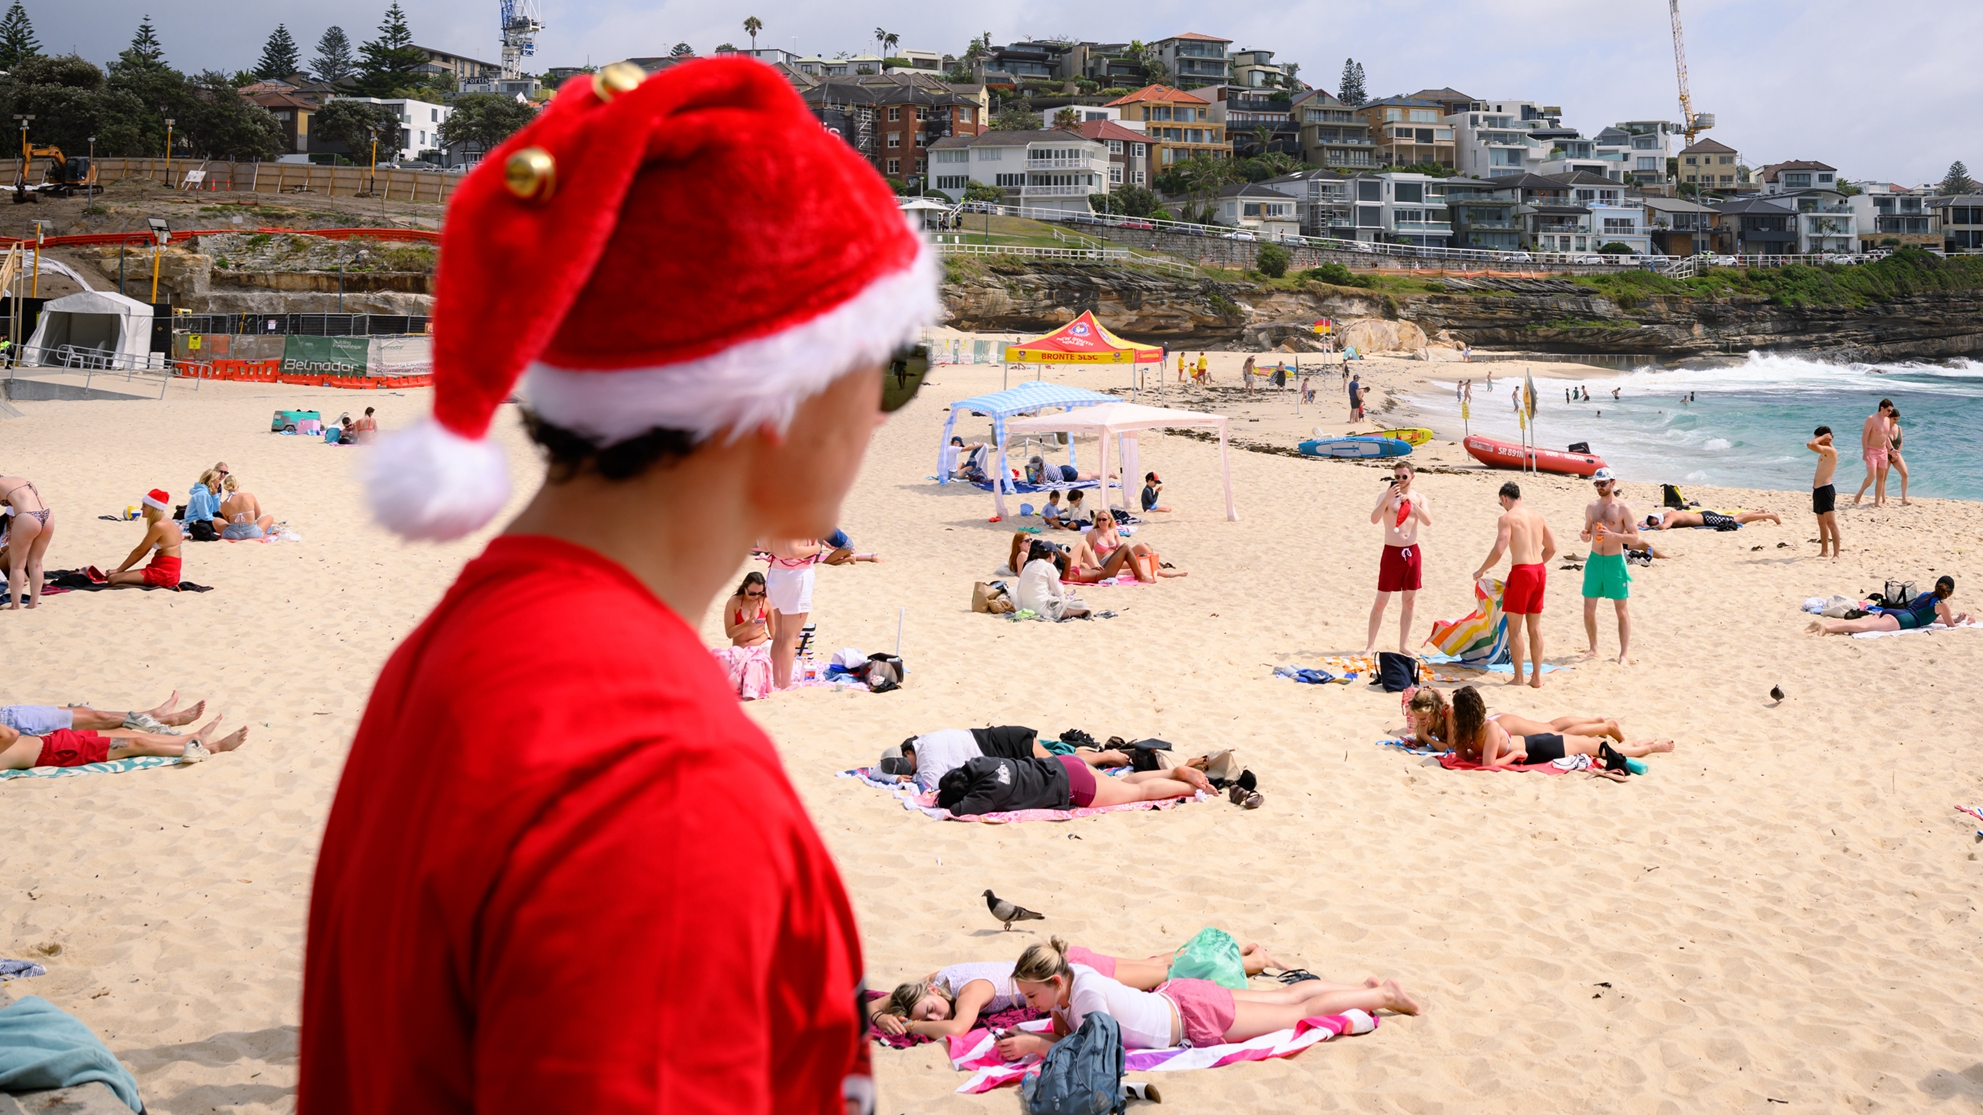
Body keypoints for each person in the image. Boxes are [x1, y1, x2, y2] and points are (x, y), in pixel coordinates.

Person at [303, 57, 935, 1111]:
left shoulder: (463, 647)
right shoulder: (658, 784)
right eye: (897, 365)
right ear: (785, 387)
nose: (882, 414)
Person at [995, 938, 1417, 1060]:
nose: (1030, 1005)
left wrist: (1035, 1044)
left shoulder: (1086, 994)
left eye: (1032, 994)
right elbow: (1066, 1036)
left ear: (1055, 980)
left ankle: (1382, 994)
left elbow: (1093, 1048)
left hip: (1193, 1017)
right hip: (1180, 1000)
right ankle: (1363, 990)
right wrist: (1035, 1035)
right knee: (1284, 998)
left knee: (1296, 1012)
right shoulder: (1069, 985)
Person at [872, 936, 1291, 1040]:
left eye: (930, 1011)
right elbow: (883, 999)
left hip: (1078, 972)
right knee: (1157, 965)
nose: (936, 1015)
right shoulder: (938, 978)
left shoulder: (970, 992)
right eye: (927, 1016)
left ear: (932, 995)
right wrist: (880, 1014)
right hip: (1068, 965)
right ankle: (1242, 951)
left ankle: (1254, 960)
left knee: (1167, 972)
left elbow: (957, 1028)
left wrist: (912, 1027)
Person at [1446, 686, 1672, 771]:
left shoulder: (1468, 733)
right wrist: (1513, 755)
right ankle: (1649, 748)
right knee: (1598, 746)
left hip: (1539, 745)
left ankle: (1639, 744)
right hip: (1539, 747)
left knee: (1595, 746)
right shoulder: (1490, 727)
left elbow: (1465, 757)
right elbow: (1488, 765)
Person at [934, 754, 1216, 818]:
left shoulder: (986, 794)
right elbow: (965, 768)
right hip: (1064, 764)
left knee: (1137, 793)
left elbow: (958, 809)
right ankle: (1173, 772)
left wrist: (944, 800)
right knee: (1121, 784)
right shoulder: (981, 765)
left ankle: (1192, 788)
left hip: (1070, 785)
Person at [1473, 480, 1556, 688]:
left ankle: (1519, 678)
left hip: (1522, 572)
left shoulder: (1507, 518)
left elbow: (1499, 550)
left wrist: (1481, 570)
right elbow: (1552, 548)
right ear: (1520, 497)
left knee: (1515, 628)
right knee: (1535, 627)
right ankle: (1536, 678)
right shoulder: (1537, 516)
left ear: (1504, 498)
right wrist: (1535, 568)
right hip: (1539, 571)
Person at [891, 724, 1131, 792]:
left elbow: (931, 785)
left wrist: (902, 780)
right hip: (1004, 738)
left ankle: (1107, 756)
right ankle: (1102, 756)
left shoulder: (925, 757)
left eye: (907, 764)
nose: (910, 771)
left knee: (1059, 767)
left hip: (1004, 747)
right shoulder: (925, 740)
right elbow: (876, 770)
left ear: (909, 752)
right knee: (1057, 759)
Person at [1404, 684, 1626, 754]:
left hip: (1502, 725)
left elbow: (1452, 746)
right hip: (1495, 726)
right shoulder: (1433, 720)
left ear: (1435, 710)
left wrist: (1427, 738)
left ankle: (1606, 726)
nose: (1421, 721)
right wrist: (1421, 737)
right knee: (1550, 728)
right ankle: (1595, 722)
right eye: (1418, 717)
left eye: (1424, 717)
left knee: (1553, 732)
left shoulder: (1450, 713)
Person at [0, 714, 248, 772]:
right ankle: (213, 748)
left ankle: (191, 738)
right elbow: (10, 735)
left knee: (121, 731)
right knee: (136, 743)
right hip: (58, 752)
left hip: (52, 740)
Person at [1366, 461, 1431, 656]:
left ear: (1412, 477)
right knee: (1381, 601)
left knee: (1409, 601)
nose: (1400, 480)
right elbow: (1374, 519)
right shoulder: (1385, 496)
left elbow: (1428, 521)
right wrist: (1387, 499)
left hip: (1412, 553)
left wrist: (1413, 505)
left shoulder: (1419, 497)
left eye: (1404, 476)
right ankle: (1370, 646)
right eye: (1397, 476)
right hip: (1392, 553)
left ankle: (1403, 645)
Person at [1580, 468, 1638, 665]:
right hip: (1595, 561)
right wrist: (1584, 536)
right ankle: (1593, 648)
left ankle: (1623, 654)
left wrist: (1613, 535)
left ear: (1613, 483)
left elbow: (1635, 537)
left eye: (1603, 484)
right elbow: (1587, 531)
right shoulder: (1591, 507)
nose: (1599, 487)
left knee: (1621, 611)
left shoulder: (1623, 508)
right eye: (1596, 484)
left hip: (1615, 563)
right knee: (1588, 610)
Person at [1808, 575, 1971, 636]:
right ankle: (1827, 629)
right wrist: (1962, 622)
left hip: (1894, 612)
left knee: (1861, 623)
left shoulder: (1926, 594)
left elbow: (1932, 619)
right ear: (1950, 592)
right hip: (1902, 620)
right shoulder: (1943, 605)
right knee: (1862, 628)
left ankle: (1823, 624)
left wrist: (1956, 619)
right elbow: (1950, 625)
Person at [764, 538, 825, 689]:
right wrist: (817, 548)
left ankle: (777, 680)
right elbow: (794, 551)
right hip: (794, 576)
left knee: (780, 635)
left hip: (776, 574)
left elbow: (763, 545)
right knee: (790, 637)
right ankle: (785, 683)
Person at [1, 691, 205, 736]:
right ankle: (167, 719)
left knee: (82, 712)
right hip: (14, 722)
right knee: (100, 719)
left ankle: (153, 713)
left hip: (9, 713)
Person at [103, 489, 183, 589]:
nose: (141, 509)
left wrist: (119, 570)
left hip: (164, 574)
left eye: (145, 506)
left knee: (113, 579)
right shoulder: (167, 521)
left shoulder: (159, 526)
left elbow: (140, 551)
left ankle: (145, 587)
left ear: (154, 508)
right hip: (166, 571)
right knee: (114, 578)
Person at [715, 571, 774, 701]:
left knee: (770, 650)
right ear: (745, 587)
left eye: (760, 593)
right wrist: (746, 625)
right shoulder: (734, 602)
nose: (756, 596)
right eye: (752, 593)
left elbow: (774, 633)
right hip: (741, 648)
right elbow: (730, 633)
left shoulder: (765, 602)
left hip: (762, 644)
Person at [1076, 510, 1180, 583]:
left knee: (1142, 546)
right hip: (1107, 563)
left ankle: (1160, 569)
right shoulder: (1093, 533)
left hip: (1118, 557)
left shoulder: (1113, 531)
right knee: (1140, 562)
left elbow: (1121, 547)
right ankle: (1162, 572)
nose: (1101, 522)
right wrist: (1088, 567)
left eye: (1103, 519)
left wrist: (1127, 555)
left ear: (1109, 520)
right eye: (1099, 520)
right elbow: (1087, 553)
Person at [0, 473, 54, 610]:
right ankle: (33, 603)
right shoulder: (17, 480)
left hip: (27, 517)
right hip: (47, 515)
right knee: (36, 563)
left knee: (17, 566)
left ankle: (15, 605)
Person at [1012, 540, 1089, 620]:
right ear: (1052, 555)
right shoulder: (1049, 566)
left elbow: (1019, 589)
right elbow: (1059, 592)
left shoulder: (1028, 565)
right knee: (1083, 605)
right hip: (1041, 609)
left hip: (1023, 607)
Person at [1854, 398, 1895, 508]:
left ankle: (1877, 502)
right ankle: (1860, 493)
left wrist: (1891, 449)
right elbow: (1864, 437)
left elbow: (1886, 437)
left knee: (1881, 477)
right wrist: (1865, 452)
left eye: (1891, 411)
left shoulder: (1887, 420)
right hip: (1871, 451)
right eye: (1888, 410)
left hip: (1883, 451)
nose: (1890, 413)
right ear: (1882, 408)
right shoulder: (1871, 419)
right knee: (1871, 476)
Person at [1808, 426, 1841, 559]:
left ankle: (1836, 554)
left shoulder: (1831, 451)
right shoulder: (1825, 451)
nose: (1816, 440)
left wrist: (1823, 438)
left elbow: (1810, 445)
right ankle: (1824, 551)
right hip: (1818, 490)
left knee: (1831, 523)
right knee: (1821, 523)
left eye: (1817, 438)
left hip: (1826, 490)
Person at [216, 474, 277, 539]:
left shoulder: (225, 504)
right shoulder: (249, 496)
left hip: (233, 535)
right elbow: (257, 515)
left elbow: (229, 522)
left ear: (226, 488)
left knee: (215, 520)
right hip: (252, 533)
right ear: (238, 485)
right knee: (269, 517)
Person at [1640, 506, 1780, 530]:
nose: (1653, 523)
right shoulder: (1667, 514)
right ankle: (1759, 512)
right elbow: (1641, 522)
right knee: (1734, 517)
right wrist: (1643, 523)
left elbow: (1663, 527)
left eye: (1654, 521)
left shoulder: (1670, 517)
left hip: (1707, 520)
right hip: (1705, 516)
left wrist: (1651, 527)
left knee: (1737, 520)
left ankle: (1770, 515)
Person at [1887, 407, 1909, 504]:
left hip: (1896, 454)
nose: (1896, 420)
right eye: (1894, 419)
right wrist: (1891, 453)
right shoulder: (1884, 428)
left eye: (1897, 419)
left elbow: (1901, 442)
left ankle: (1904, 499)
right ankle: (1883, 499)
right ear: (1889, 417)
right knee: (1883, 478)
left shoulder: (1899, 428)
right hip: (1886, 454)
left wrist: (1897, 453)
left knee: (1905, 474)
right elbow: (1882, 443)